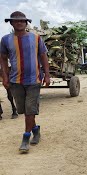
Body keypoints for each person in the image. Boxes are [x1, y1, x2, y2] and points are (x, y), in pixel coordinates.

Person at [0, 11, 50, 153]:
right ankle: (35, 129)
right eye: (16, 21)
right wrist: (5, 76)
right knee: (23, 110)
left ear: (26, 22)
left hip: (34, 80)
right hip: (15, 80)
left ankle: (25, 138)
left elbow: (43, 55)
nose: (19, 22)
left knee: (30, 110)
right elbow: (3, 58)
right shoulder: (5, 40)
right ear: (11, 23)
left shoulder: (36, 38)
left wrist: (47, 75)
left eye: (22, 20)